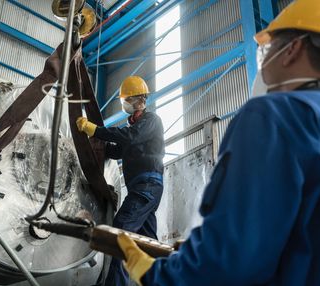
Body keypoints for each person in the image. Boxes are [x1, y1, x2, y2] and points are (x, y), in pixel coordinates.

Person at [113, 0, 320, 285]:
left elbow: (228, 260)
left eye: (266, 51)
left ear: (293, 49)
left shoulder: (275, 116)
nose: (263, 62)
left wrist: (157, 276)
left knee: (123, 230)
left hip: (147, 184)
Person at [76, 76, 165, 286]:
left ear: (138, 100)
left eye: (126, 99)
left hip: (148, 185)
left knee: (120, 232)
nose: (124, 103)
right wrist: (95, 144)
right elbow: (117, 150)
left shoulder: (151, 121)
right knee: (150, 244)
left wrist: (95, 130)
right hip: (140, 188)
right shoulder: (134, 127)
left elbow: (130, 137)